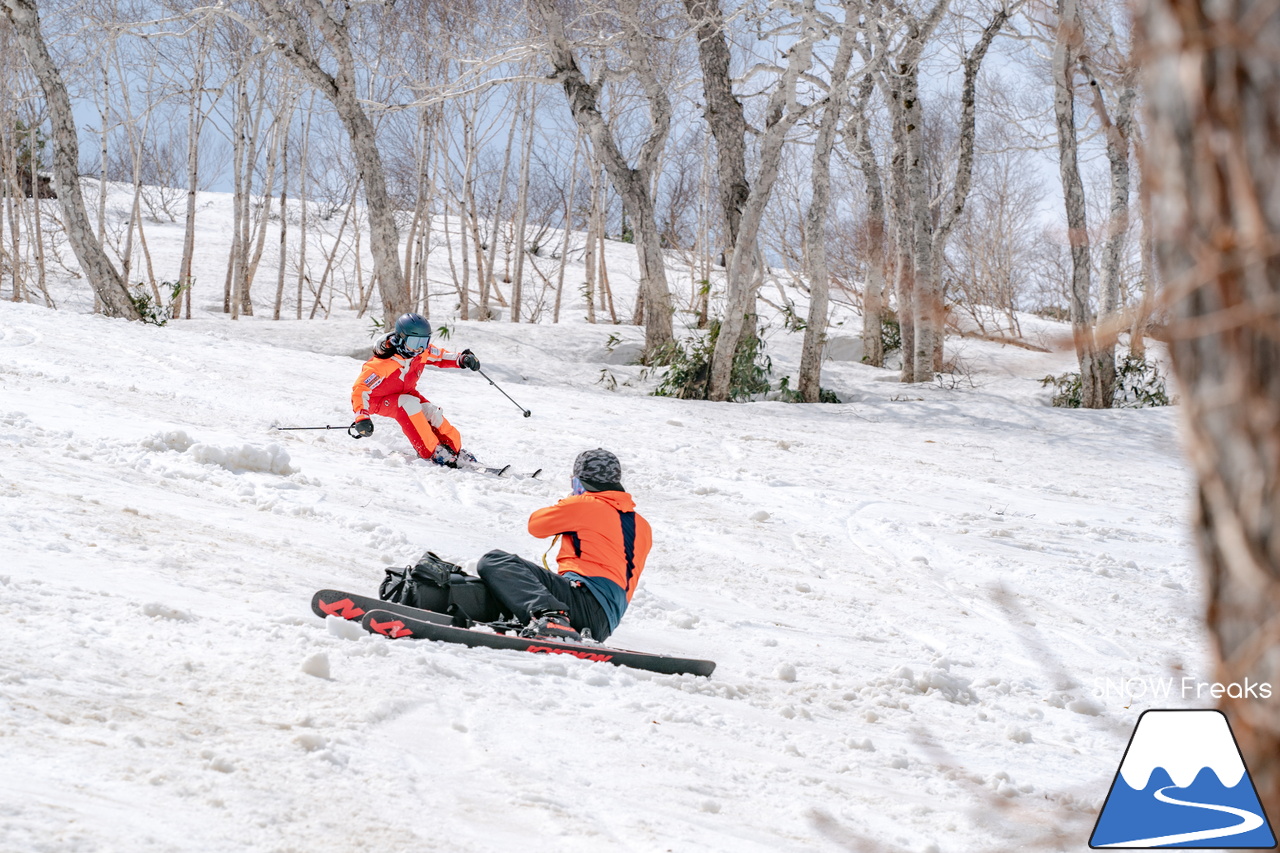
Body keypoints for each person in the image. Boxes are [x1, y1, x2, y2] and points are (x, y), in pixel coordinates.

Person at [476, 448, 651, 643]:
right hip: (604, 623)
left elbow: (536, 525)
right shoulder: (641, 525)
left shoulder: (586, 504)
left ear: (579, 481)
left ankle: (551, 619)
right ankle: (548, 618)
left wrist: (572, 501)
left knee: (495, 561)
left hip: (583, 598)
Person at [349, 312, 482, 466]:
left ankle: (454, 450)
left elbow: (440, 356)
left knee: (430, 411)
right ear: (401, 338)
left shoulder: (420, 352)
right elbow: (360, 390)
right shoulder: (381, 365)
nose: (419, 348)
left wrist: (462, 359)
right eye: (414, 342)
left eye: (424, 342)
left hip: (405, 393)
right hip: (377, 400)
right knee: (409, 404)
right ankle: (433, 452)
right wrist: (362, 418)